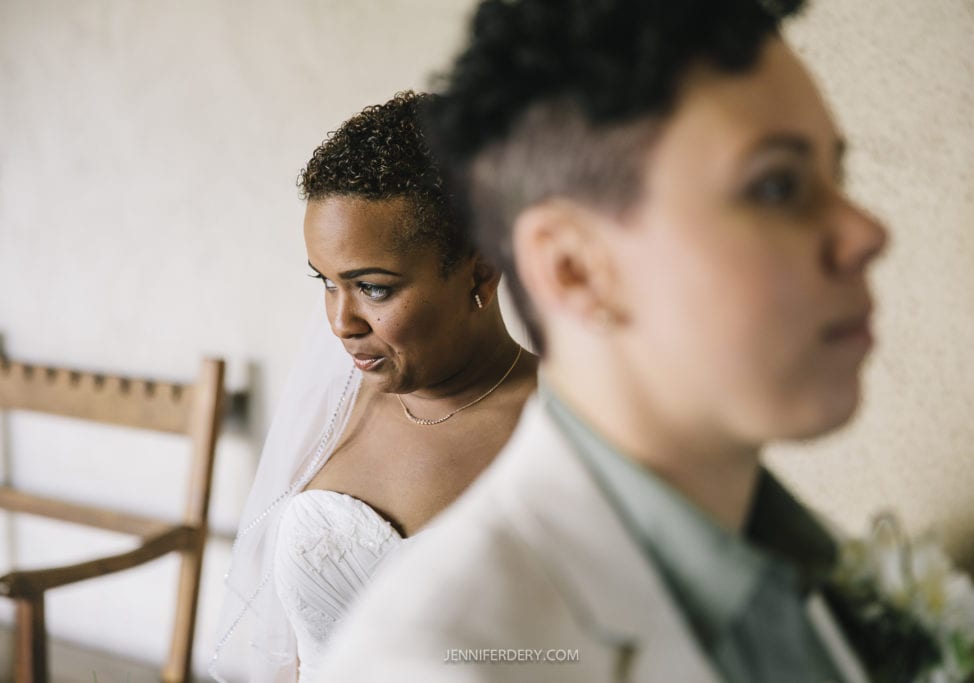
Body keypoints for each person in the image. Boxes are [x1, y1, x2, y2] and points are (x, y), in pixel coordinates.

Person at [317, 0, 897, 681]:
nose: (866, 232)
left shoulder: (815, 568)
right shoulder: (440, 659)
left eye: (838, 177)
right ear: (574, 269)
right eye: (776, 186)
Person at [209, 91, 537, 683]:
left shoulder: (567, 427)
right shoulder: (331, 407)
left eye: (374, 288)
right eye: (326, 283)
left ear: (482, 271)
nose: (340, 323)